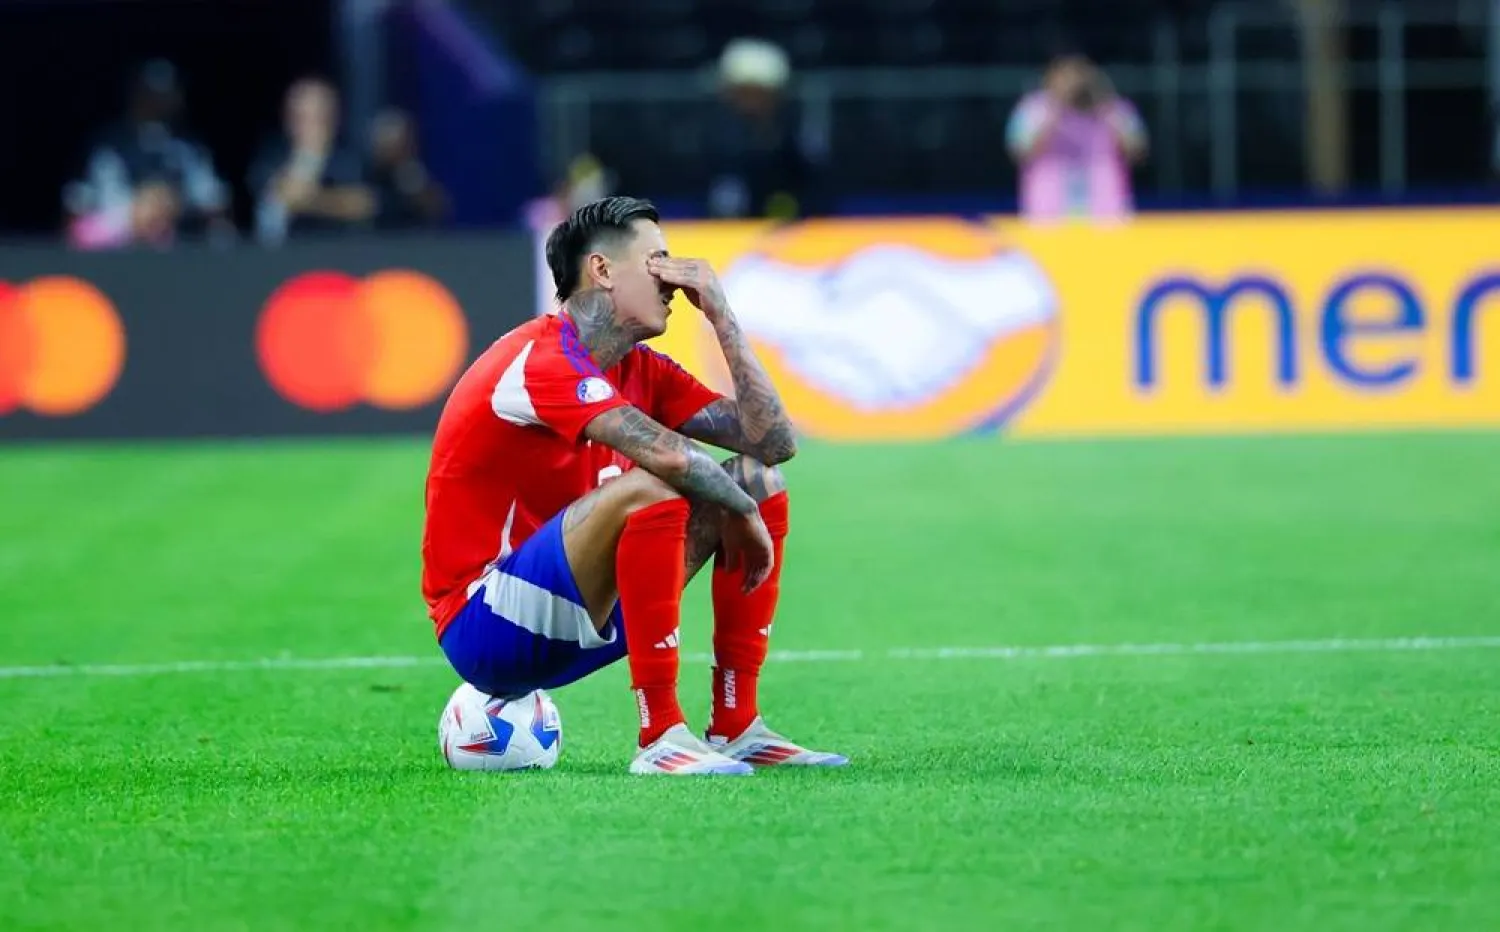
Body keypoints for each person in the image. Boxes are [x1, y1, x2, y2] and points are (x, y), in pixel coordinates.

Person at [422, 196, 846, 776]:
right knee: (655, 484)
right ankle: (661, 735)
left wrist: (722, 315)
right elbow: (666, 456)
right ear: (601, 270)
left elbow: (773, 441)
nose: (675, 278)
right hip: (485, 626)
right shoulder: (539, 358)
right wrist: (738, 512)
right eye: (658, 260)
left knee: (759, 478)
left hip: (585, 610)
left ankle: (736, 725)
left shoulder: (642, 367)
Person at [64, 59, 233, 250]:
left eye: (166, 95)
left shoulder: (189, 147)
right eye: (152, 95)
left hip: (177, 250)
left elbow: (214, 205)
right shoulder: (107, 146)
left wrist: (170, 204)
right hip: (114, 248)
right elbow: (75, 211)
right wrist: (133, 211)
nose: (161, 103)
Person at [1006, 53, 1148, 224]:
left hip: (1106, 213)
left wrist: (1105, 107)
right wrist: (1056, 108)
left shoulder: (1115, 109)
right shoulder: (1033, 109)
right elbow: (1021, 151)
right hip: (1048, 214)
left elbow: (1137, 151)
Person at [247, 78, 374, 245]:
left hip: (339, 249)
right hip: (283, 252)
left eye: (316, 117)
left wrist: (308, 200)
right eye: (299, 117)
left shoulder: (350, 158)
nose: (306, 125)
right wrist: (309, 156)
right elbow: (285, 196)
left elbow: (362, 205)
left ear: (333, 119)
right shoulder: (273, 154)